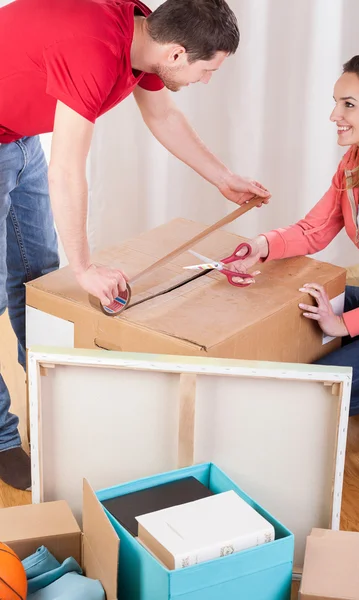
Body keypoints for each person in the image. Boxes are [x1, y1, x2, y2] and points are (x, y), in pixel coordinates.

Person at [0, 0, 270, 491]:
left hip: (17, 138)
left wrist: (223, 178)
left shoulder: (143, 29)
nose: (206, 81)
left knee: (36, 281)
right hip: (10, 140)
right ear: (175, 54)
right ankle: (0, 440)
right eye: (206, 70)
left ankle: (51, 412)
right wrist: (85, 268)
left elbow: (163, 117)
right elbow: (67, 170)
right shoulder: (95, 50)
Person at [228, 55, 359, 449]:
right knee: (294, 305)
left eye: (348, 105)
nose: (334, 115)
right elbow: (316, 228)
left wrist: (345, 326)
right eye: (335, 102)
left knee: (306, 390)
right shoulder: (353, 164)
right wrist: (262, 246)